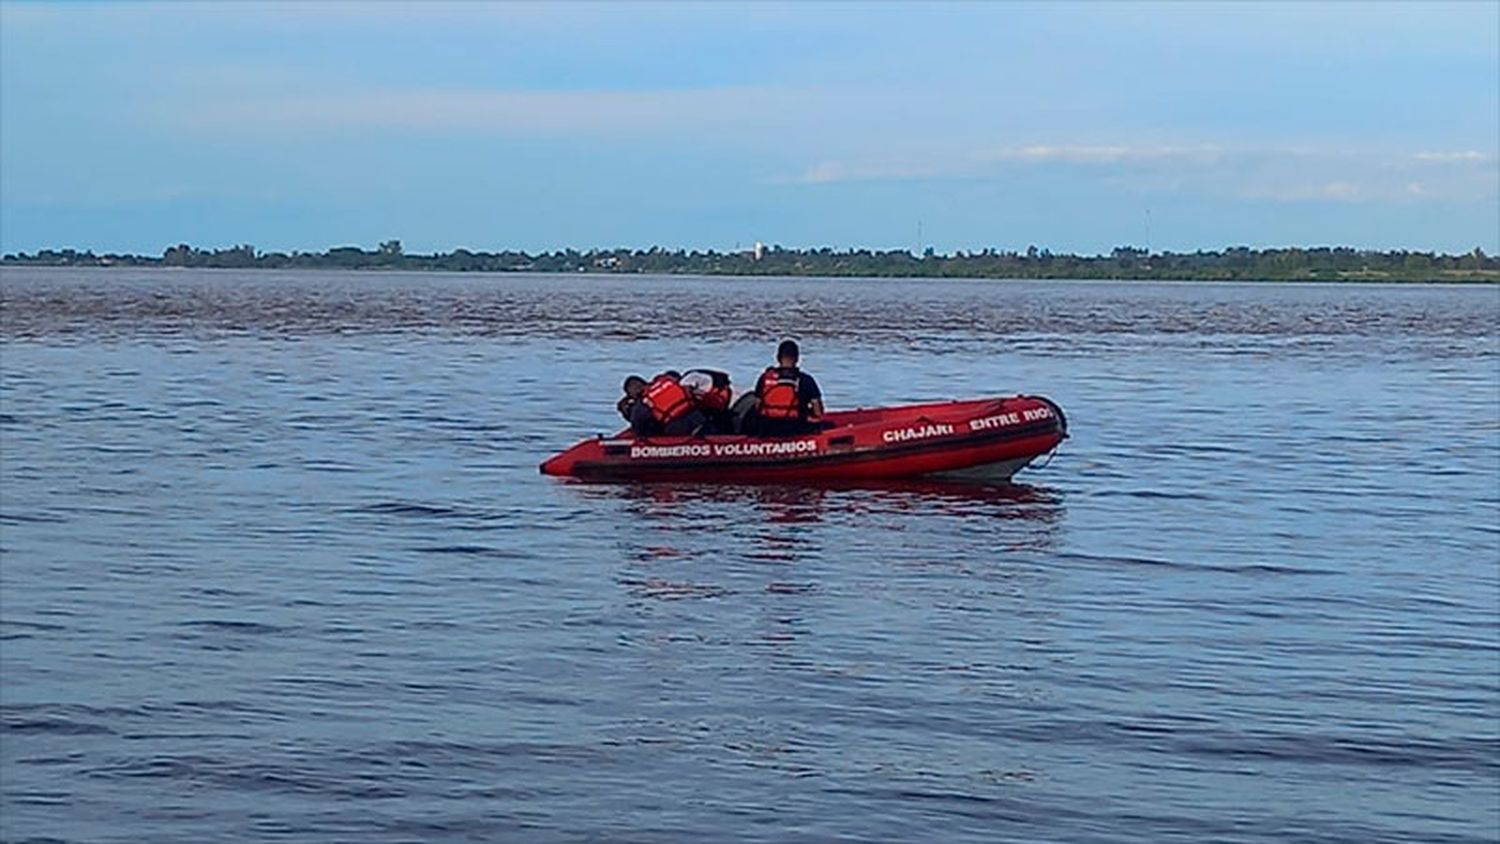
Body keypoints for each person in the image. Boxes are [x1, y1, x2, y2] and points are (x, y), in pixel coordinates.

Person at [749, 339, 824, 437]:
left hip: (767, 428)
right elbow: (818, 411)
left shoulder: (764, 378)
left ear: (778, 358)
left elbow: (757, 406)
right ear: (797, 359)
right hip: (794, 428)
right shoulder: (805, 380)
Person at [630, 370, 707, 437]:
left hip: (676, 430)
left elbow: (640, 431)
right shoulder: (668, 379)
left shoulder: (643, 402)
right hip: (698, 417)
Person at [680, 368, 733, 433]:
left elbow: (685, 389)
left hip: (712, 395)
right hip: (712, 396)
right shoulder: (692, 377)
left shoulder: (690, 378)